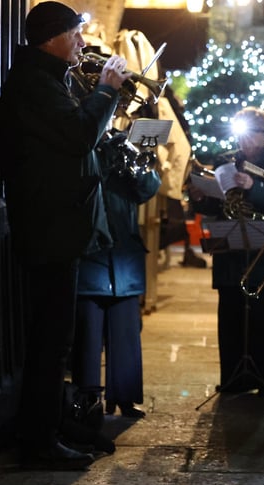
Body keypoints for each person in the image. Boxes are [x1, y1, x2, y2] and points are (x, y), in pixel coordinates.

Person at [0, 1, 131, 470]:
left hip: (62, 225)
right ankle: (39, 439)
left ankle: (54, 421)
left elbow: (78, 144)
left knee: (61, 337)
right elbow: (76, 135)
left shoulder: (49, 79)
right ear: (54, 36)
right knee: (49, 339)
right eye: (75, 34)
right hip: (48, 227)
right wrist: (107, 90)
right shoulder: (34, 84)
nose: (81, 42)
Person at [189, 107, 264, 396]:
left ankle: (263, 379)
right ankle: (231, 378)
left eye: (251, 134)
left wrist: (253, 186)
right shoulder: (225, 160)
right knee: (230, 317)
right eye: (240, 134)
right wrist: (202, 198)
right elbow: (219, 203)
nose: (244, 142)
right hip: (232, 251)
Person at [70, 129, 161, 420]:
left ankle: (125, 396)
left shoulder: (126, 153)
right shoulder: (84, 149)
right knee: (88, 335)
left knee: (126, 333)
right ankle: (87, 399)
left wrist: (137, 156)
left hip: (124, 256)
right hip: (92, 255)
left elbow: (148, 188)